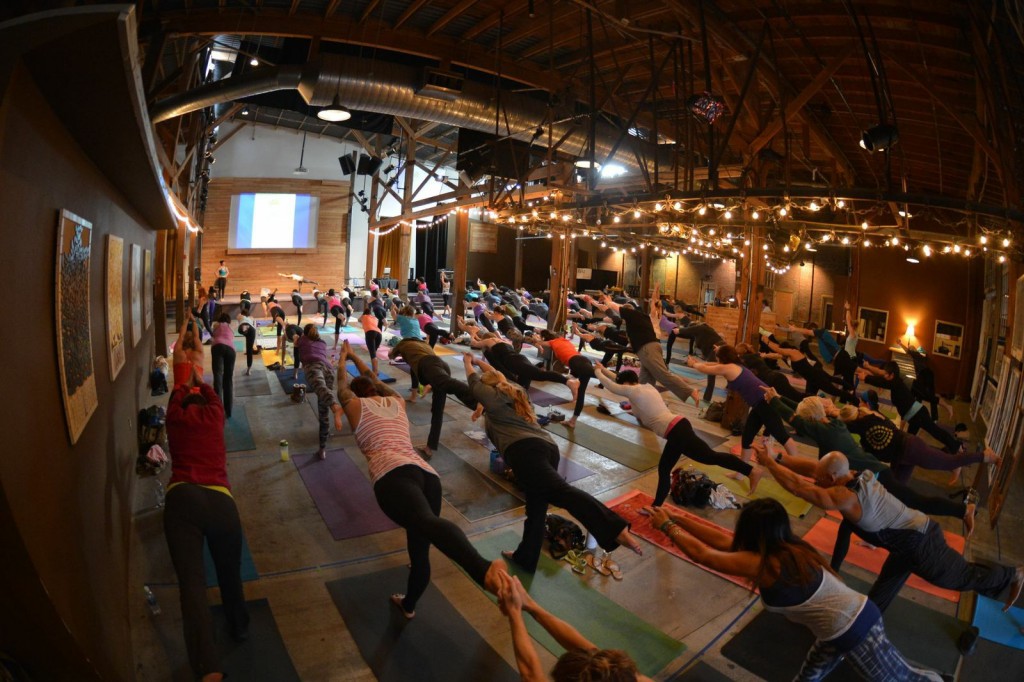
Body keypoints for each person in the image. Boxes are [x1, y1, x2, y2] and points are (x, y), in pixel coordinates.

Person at [645, 499, 942, 681]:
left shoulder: (767, 562)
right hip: (847, 620)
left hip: (851, 628)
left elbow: (706, 555)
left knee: (900, 679)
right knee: (810, 672)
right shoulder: (787, 546)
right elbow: (724, 542)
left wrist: (668, 527)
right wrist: (678, 518)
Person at [334, 341, 507, 617]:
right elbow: (375, 379)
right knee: (421, 547)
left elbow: (341, 381)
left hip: (392, 475)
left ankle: (483, 568)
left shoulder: (354, 406)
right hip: (427, 476)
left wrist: (344, 359)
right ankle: (408, 605)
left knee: (427, 526)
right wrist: (356, 355)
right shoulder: (397, 401)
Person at [759, 450, 1024, 614]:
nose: (817, 480)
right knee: (883, 589)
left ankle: (1014, 573)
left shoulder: (843, 497)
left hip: (920, 542)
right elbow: (813, 470)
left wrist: (770, 464)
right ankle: (867, 621)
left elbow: (798, 487)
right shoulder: (854, 473)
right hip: (906, 543)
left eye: (821, 478)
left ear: (830, 479)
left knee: (959, 577)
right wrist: (780, 458)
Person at [463, 355, 641, 574]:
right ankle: (525, 558)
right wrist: (481, 362)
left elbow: (473, 381)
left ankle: (615, 528)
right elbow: (495, 377)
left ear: (487, 388)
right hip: (547, 448)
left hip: (525, 453)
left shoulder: (492, 397)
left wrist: (467, 362)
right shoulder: (515, 390)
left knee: (561, 493)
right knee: (536, 510)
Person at [164, 369, 249, 682]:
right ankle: (239, 625)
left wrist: (185, 384)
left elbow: (174, 396)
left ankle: (209, 669)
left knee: (193, 586)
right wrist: (198, 382)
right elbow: (212, 396)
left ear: (183, 404)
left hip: (182, 500)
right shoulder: (215, 416)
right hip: (221, 503)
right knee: (229, 573)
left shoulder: (174, 418)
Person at [595, 364, 762, 504]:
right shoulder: (644, 387)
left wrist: (595, 372)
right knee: (704, 458)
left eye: (623, 384)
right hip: (678, 427)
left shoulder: (634, 391)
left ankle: (656, 507)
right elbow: (619, 381)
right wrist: (603, 369)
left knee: (686, 462)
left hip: (676, 431)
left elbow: (613, 386)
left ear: (627, 383)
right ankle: (750, 471)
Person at [496, 573, 652, 682]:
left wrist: (514, 612)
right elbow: (593, 655)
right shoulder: (630, 678)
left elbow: (531, 676)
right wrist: (530, 605)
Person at [685, 345, 804, 465]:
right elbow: (712, 365)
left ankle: (797, 467)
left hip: (767, 403)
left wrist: (693, 364)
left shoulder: (729, 368)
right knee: (747, 437)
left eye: (717, 357)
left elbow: (706, 369)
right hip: (759, 404)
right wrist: (699, 362)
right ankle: (741, 473)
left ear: (722, 358)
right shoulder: (735, 365)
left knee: (782, 436)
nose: (716, 360)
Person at [590, 282, 700, 406]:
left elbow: (615, 307)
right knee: (645, 381)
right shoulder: (641, 317)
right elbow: (610, 310)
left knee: (662, 375)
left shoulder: (633, 315)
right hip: (649, 348)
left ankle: (691, 391)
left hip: (648, 349)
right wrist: (604, 304)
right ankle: (642, 404)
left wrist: (608, 300)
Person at [838, 404, 996, 484]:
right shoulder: (869, 413)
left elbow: (845, 427)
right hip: (903, 455)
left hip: (909, 449)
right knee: (895, 490)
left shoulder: (861, 425)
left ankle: (984, 456)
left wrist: (830, 413)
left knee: (947, 462)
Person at [389, 337, 478, 457]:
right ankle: (429, 447)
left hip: (428, 365)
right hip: (440, 365)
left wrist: (394, 350)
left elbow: (390, 356)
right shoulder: (424, 345)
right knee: (437, 410)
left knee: (447, 384)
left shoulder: (403, 345)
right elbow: (422, 371)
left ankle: (480, 399)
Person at [857, 361, 962, 454]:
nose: (884, 376)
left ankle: (956, 446)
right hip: (914, 417)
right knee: (907, 440)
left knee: (935, 432)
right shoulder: (896, 382)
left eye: (886, 374)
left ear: (892, 375)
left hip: (918, 415)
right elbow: (881, 379)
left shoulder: (896, 383)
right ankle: (906, 453)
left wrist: (866, 378)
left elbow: (881, 382)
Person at [292, 324, 346, 460]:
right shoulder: (321, 342)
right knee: (323, 410)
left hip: (313, 366)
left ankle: (335, 407)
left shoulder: (302, 340)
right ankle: (322, 448)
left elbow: (294, 339)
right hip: (329, 370)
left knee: (321, 389)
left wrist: (294, 338)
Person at [528, 330, 596, 429]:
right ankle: (572, 421)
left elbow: (539, 343)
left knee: (602, 378)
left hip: (576, 362)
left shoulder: (552, 342)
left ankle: (622, 381)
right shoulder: (563, 339)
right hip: (583, 360)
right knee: (581, 392)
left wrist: (535, 338)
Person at [762, 335, 859, 404]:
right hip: (811, 379)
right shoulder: (787, 357)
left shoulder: (793, 352)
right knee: (808, 398)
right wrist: (764, 355)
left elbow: (778, 350)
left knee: (834, 391)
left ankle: (856, 400)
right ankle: (808, 417)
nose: (782, 354)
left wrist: (767, 341)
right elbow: (776, 354)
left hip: (816, 376)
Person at [210, 313, 236, 418]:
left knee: (218, 378)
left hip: (217, 347)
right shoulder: (231, 326)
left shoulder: (216, 325)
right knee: (228, 380)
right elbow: (232, 337)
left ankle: (218, 411)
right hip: (230, 349)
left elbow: (213, 335)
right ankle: (228, 411)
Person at [173, 313, 205, 388]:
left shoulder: (178, 353)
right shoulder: (199, 353)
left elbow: (181, 335)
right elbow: (196, 336)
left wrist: (187, 319)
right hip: (196, 392)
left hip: (179, 391)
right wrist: (193, 320)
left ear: (184, 340)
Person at [359, 306, 383, 375]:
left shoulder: (363, 316)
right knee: (374, 352)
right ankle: (375, 370)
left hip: (370, 332)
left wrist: (363, 315)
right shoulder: (375, 318)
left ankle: (375, 372)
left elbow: (358, 320)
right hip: (379, 333)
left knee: (373, 354)